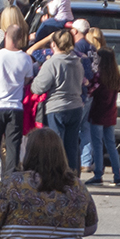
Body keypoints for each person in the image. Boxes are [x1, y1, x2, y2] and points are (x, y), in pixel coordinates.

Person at [0, 25, 32, 188]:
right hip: (15, 106)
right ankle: (10, 176)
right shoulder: (25, 58)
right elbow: (28, 79)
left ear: (6, 36)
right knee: (13, 143)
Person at [33, 29, 86, 170]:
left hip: (56, 107)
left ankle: (56, 176)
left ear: (54, 45)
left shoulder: (52, 64)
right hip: (75, 107)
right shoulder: (77, 62)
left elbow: (38, 87)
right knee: (72, 146)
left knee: (56, 147)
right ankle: (72, 177)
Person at [84, 27, 120, 186]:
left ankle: (98, 173)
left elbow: (91, 91)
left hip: (98, 113)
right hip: (111, 113)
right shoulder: (115, 76)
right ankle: (117, 175)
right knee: (111, 145)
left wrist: (86, 84)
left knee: (97, 145)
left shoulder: (99, 77)